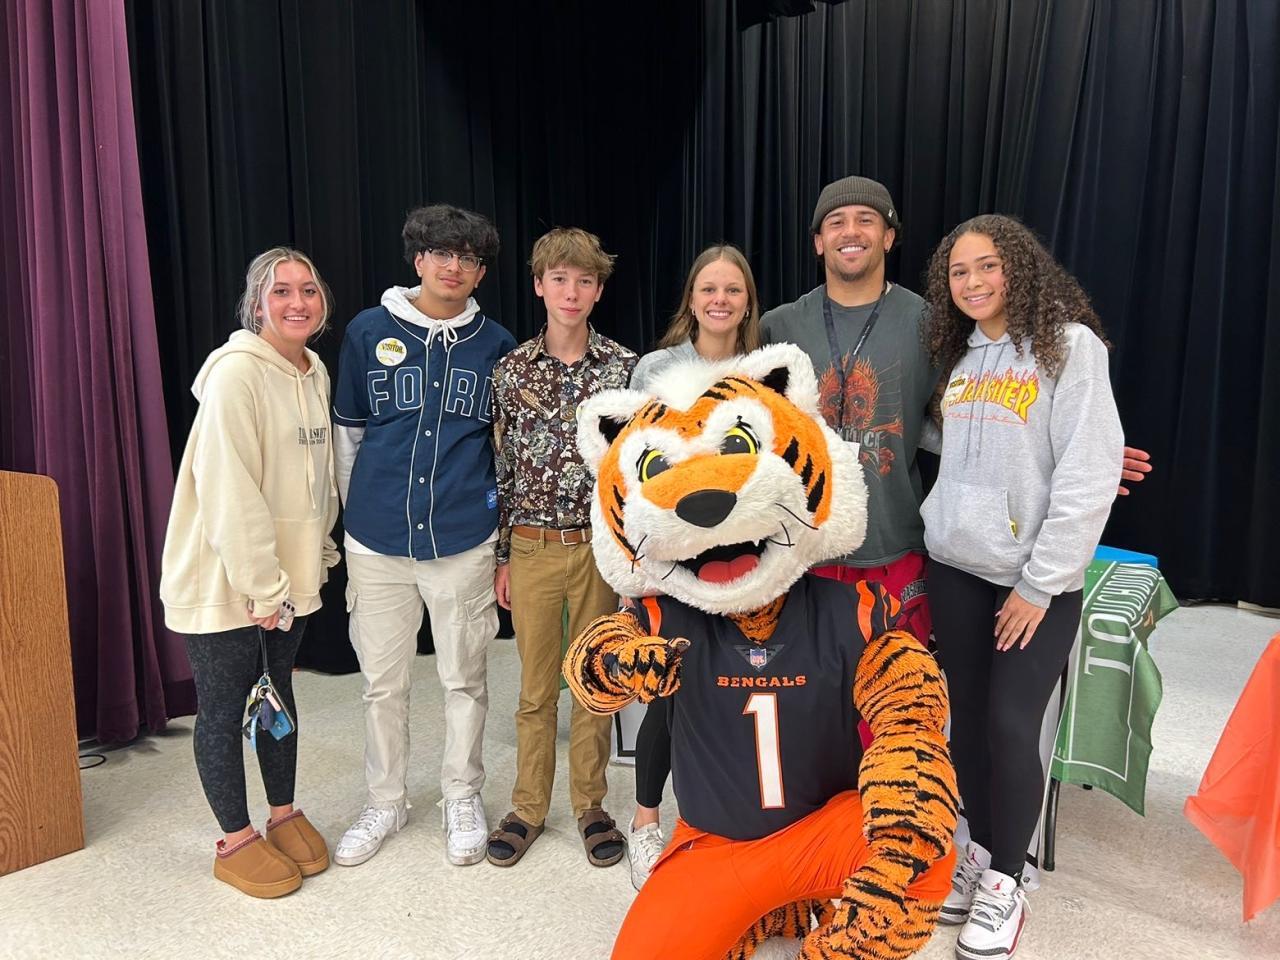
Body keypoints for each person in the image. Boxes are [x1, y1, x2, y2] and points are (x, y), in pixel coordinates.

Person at [564, 343, 958, 960]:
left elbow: (909, 710)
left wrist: (905, 775)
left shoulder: (851, 610)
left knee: (922, 845)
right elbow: (595, 661)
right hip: (715, 846)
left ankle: (827, 931)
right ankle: (764, 909)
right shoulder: (666, 615)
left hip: (821, 835)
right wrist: (617, 664)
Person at [760, 176, 1152, 646]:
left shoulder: (931, 323)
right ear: (818, 242)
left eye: (866, 219)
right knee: (811, 688)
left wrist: (1075, 451)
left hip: (896, 546)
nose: (851, 231)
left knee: (896, 686)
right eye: (836, 222)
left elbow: (965, 417)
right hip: (801, 546)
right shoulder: (777, 326)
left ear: (889, 236)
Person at [921, 214, 1124, 960]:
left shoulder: (1071, 347)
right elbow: (952, 448)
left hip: (1033, 583)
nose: (973, 282)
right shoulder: (960, 355)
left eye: (987, 266)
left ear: (1019, 267)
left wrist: (1039, 584)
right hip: (955, 567)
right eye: (959, 272)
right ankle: (982, 853)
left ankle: (1008, 880)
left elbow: (1087, 470)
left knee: (1011, 725)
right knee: (969, 725)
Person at [331, 205, 515, 868]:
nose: (453, 266)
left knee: (464, 678)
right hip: (376, 541)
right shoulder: (367, 331)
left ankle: (462, 794)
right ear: (418, 259)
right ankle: (385, 800)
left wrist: (499, 541)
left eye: (468, 258)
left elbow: (503, 449)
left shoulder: (497, 344)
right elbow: (348, 436)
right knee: (382, 684)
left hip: (462, 539)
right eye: (442, 253)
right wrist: (358, 518)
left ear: (481, 272)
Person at [160, 247, 339, 898]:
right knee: (224, 707)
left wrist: (318, 551)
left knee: (276, 694)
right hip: (226, 581)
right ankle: (234, 840)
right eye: (280, 290)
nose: (297, 302)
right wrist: (263, 588)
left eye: (308, 289)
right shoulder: (236, 374)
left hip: (286, 583)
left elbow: (315, 479)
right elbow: (229, 491)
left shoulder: (314, 370)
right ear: (256, 304)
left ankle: (282, 813)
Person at [486, 227, 637, 868]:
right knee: (535, 687)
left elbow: (634, 471)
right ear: (539, 286)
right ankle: (527, 807)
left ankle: (590, 805)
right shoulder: (512, 370)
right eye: (559, 279)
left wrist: (633, 560)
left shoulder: (624, 370)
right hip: (533, 546)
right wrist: (502, 556)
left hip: (599, 548)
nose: (571, 292)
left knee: (594, 681)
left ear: (598, 291)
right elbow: (503, 469)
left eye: (584, 280)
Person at [624, 244, 762, 889]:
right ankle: (646, 822)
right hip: (675, 560)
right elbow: (628, 468)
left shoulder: (762, 370)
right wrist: (634, 567)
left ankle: (720, 819)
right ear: (692, 298)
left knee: (736, 690)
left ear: (747, 301)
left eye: (732, 289)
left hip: (746, 560)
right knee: (671, 691)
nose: (720, 300)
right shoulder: (657, 368)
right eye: (709, 288)